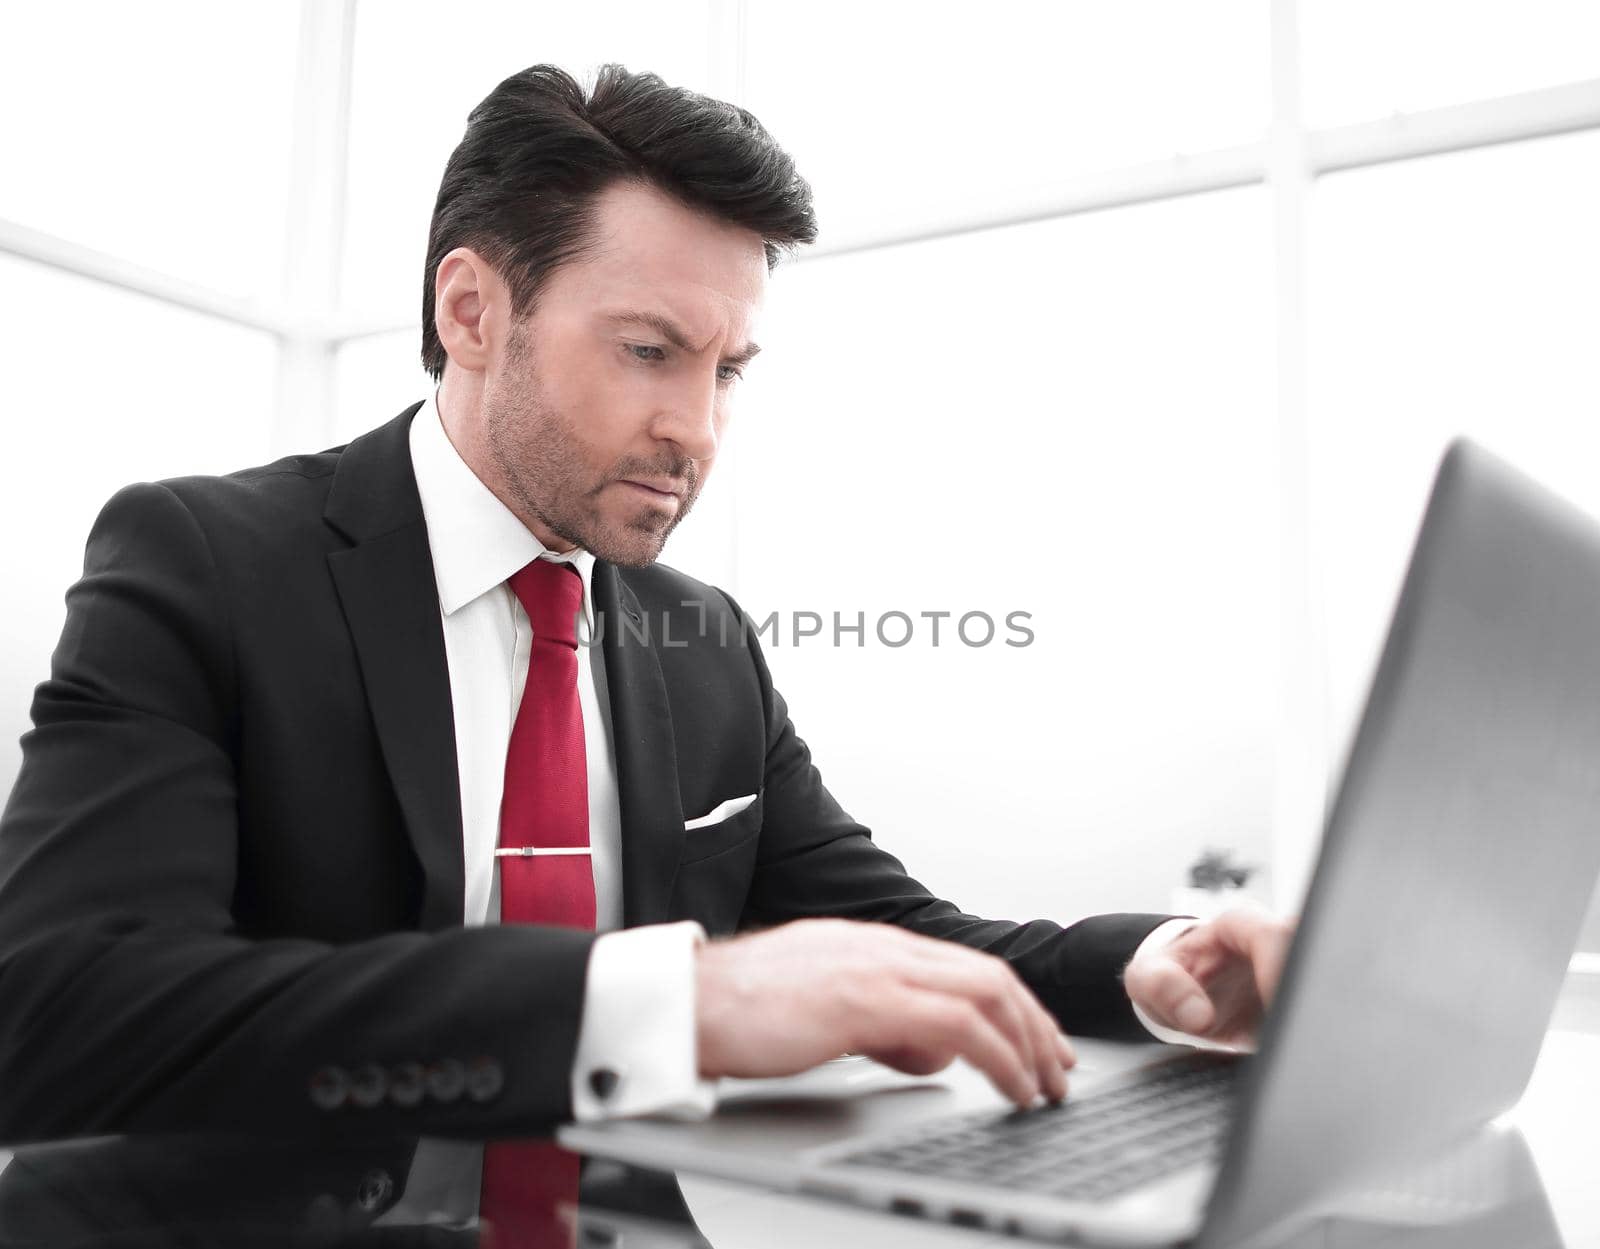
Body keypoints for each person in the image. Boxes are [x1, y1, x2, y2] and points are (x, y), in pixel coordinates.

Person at [0, 64, 1289, 1150]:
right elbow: (61, 1007)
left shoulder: (704, 640)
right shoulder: (206, 560)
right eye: (648, 351)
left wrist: (1153, 967)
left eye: (728, 371)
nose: (697, 429)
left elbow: (892, 936)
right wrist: (662, 1004)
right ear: (473, 312)